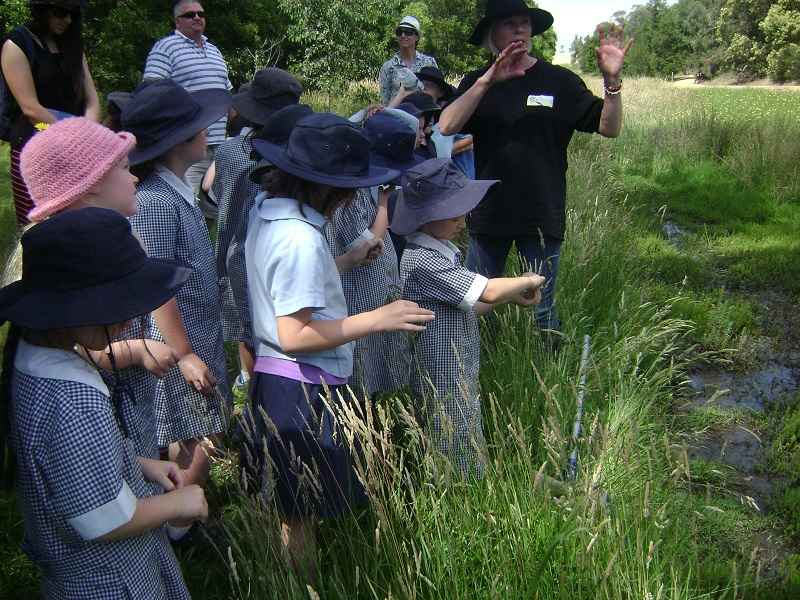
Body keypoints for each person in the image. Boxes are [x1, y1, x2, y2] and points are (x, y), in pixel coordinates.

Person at [242, 112, 434, 577]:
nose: (352, 201)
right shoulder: (301, 239)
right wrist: (377, 318)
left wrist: (343, 261)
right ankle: (299, 583)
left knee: (289, 505)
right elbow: (295, 334)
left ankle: (283, 576)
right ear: (334, 191)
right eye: (350, 190)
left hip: (276, 379)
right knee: (300, 513)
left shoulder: (267, 211)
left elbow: (284, 294)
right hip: (302, 390)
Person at [0, 207, 206, 598]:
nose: (131, 317)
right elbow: (102, 520)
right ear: (71, 309)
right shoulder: (72, 401)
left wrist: (141, 465)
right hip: (110, 581)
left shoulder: (37, 356)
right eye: (117, 304)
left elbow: (65, 461)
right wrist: (181, 502)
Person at [438, 0, 633, 338]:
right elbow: (447, 125)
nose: (519, 29)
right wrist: (489, 80)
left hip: (541, 213)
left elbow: (609, 127)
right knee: (477, 306)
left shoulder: (559, 81)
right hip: (488, 212)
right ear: (491, 33)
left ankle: (548, 375)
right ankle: (477, 369)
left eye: (525, 23)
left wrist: (612, 83)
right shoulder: (477, 81)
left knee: (541, 311)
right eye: (509, 23)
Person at [18, 116, 183, 461]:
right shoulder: (75, 265)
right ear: (91, 185)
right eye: (124, 168)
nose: (135, 176)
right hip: (98, 405)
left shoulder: (116, 235)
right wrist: (136, 351)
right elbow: (80, 347)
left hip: (130, 395)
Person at [394, 158, 544, 478]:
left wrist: (510, 296)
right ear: (425, 217)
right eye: (454, 213)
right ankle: (459, 488)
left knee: (465, 428)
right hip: (440, 371)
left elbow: (474, 302)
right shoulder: (424, 260)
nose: (462, 220)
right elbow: (486, 291)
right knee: (449, 435)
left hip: (457, 364)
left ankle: (473, 479)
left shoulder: (441, 251)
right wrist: (527, 280)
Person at [122, 78, 232, 487]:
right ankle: (179, 522)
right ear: (176, 140)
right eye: (198, 125)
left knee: (196, 427)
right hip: (178, 339)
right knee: (199, 432)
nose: (207, 131)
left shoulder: (175, 192)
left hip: (198, 330)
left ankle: (182, 514)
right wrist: (184, 354)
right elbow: (155, 284)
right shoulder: (154, 201)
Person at [213, 68, 304, 387]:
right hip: (282, 257)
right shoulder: (296, 156)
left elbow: (219, 201)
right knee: (276, 336)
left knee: (252, 331)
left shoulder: (228, 152)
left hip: (239, 253)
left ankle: (255, 396)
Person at [324, 110, 424, 401]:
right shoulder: (350, 192)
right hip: (358, 292)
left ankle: (376, 412)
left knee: (382, 357)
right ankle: (358, 418)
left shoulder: (369, 184)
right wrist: (383, 202)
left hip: (378, 288)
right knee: (362, 366)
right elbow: (368, 245)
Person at [0, 0, 100, 227]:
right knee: (40, 225)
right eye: (60, 12)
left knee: (81, 220)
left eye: (72, 14)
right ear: (41, 10)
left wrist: (88, 132)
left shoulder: (72, 44)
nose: (67, 20)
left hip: (77, 144)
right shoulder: (16, 45)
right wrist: (74, 135)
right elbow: (30, 108)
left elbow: (91, 98)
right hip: (34, 144)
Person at [143, 0, 232, 218]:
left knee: (217, 208)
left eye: (201, 13)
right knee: (186, 202)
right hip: (187, 143)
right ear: (177, 21)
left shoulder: (214, 51)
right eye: (189, 14)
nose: (197, 18)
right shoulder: (165, 48)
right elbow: (152, 90)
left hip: (219, 142)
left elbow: (227, 90)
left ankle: (209, 247)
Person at [378, 15, 438, 105]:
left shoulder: (429, 63)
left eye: (408, 32)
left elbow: (436, 94)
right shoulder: (388, 67)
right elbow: (385, 101)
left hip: (424, 114)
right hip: (396, 115)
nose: (403, 35)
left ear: (417, 37)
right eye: (399, 32)